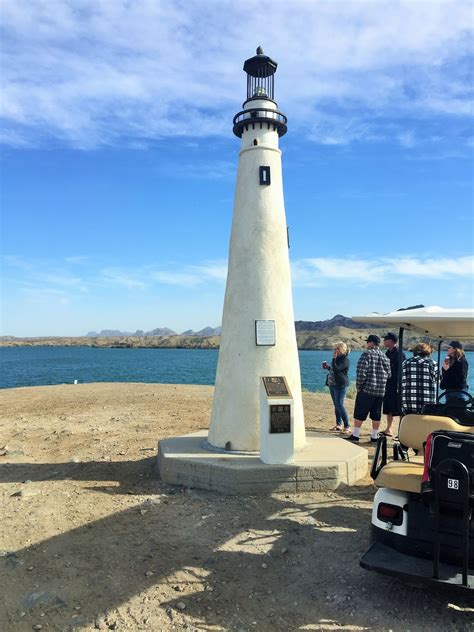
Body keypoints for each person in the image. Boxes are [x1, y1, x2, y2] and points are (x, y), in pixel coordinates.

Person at [346, 334, 391, 443]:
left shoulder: (366, 355)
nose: (366, 344)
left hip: (367, 389)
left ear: (371, 343)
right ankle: (374, 436)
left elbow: (361, 372)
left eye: (367, 342)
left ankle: (356, 435)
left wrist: (359, 387)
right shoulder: (385, 357)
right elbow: (389, 374)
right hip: (380, 392)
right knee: (376, 414)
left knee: (360, 412)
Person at [401, 342, 438, 414]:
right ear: (428, 352)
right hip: (428, 405)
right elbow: (438, 381)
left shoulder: (405, 363)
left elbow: (401, 383)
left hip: (408, 404)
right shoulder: (433, 363)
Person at [381, 332, 406, 437]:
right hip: (387, 384)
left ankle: (401, 432)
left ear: (391, 341)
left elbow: (402, 371)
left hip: (397, 385)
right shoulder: (388, 352)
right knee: (388, 407)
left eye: (385, 339)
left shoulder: (400, 353)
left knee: (399, 408)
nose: (384, 341)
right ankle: (389, 429)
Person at [323, 341, 351, 434]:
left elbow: (337, 369)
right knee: (336, 404)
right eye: (334, 349)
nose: (335, 351)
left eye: (337, 349)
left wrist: (334, 360)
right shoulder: (336, 359)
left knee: (340, 404)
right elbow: (333, 368)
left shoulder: (345, 360)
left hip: (340, 385)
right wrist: (327, 367)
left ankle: (347, 426)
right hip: (332, 384)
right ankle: (339, 424)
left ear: (342, 350)